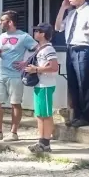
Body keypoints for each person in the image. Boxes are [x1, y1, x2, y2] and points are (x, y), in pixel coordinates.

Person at [0, 11, 37, 141]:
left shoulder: (24, 37)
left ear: (10, 22)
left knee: (15, 103)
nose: (0, 22)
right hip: (2, 74)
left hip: (16, 76)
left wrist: (26, 62)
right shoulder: (2, 36)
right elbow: (1, 54)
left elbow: (39, 48)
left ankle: (14, 133)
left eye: (2, 20)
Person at [55, 0, 89, 128]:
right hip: (71, 49)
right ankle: (76, 116)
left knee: (84, 84)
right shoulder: (70, 14)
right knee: (73, 84)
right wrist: (62, 8)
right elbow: (57, 27)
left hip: (84, 49)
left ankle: (85, 117)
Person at [24, 23, 59, 153]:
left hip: (46, 84)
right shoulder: (40, 48)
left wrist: (36, 69)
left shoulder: (49, 49)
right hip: (40, 84)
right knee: (39, 114)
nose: (35, 33)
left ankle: (46, 143)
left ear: (43, 33)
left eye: (37, 31)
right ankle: (41, 142)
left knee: (46, 114)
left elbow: (54, 67)